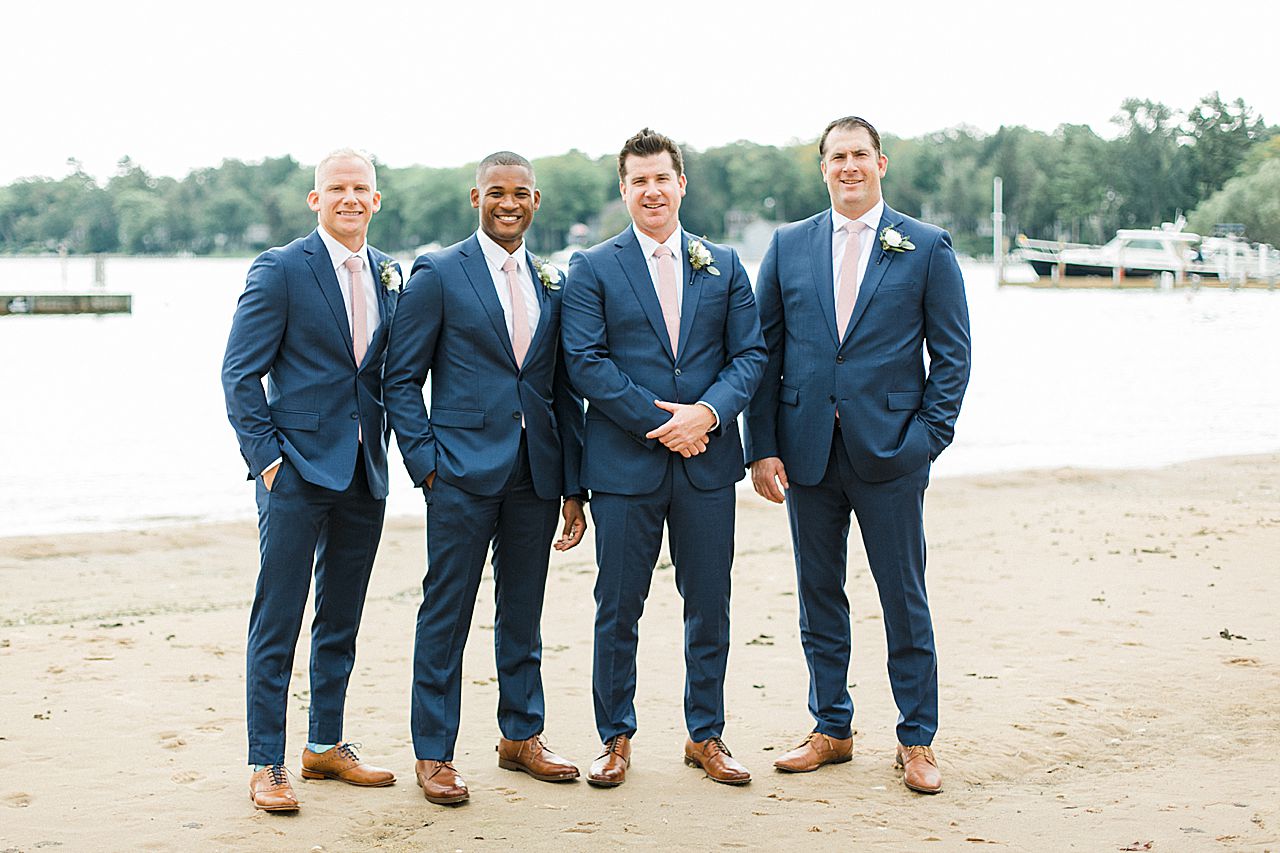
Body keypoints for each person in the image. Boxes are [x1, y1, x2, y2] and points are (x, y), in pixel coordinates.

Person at [744, 116, 971, 794]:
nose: (849, 166)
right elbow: (764, 351)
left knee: (904, 596)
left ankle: (917, 738)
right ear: (823, 168)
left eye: (860, 155)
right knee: (818, 594)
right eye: (837, 156)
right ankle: (831, 727)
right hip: (806, 453)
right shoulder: (788, 245)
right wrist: (762, 447)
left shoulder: (925, 246)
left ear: (881, 163)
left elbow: (952, 356)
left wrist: (925, 441)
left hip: (891, 453)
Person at [561, 128, 767, 787]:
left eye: (661, 178)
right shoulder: (592, 267)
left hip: (707, 465)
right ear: (624, 190)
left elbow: (750, 355)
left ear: (681, 184)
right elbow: (585, 363)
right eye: (638, 181)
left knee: (709, 604)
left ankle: (706, 735)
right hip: (624, 467)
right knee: (618, 606)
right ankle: (615, 738)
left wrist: (706, 414)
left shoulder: (723, 264)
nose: (652, 190)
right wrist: (665, 424)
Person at [383, 152, 588, 805]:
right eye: (496, 192)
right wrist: (427, 466)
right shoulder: (439, 272)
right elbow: (400, 379)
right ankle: (434, 753)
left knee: (523, 610)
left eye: (520, 193)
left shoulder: (551, 281)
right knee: (446, 612)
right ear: (476, 197)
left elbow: (561, 390)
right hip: (459, 475)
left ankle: (521, 735)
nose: (509, 203)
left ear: (536, 200)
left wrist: (573, 486)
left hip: (536, 474)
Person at [222, 148, 399, 811]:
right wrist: (267, 460)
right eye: (337, 188)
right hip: (293, 470)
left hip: (364, 469)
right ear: (315, 199)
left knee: (341, 616)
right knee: (279, 618)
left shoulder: (390, 272)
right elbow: (239, 373)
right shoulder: (280, 269)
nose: (350, 198)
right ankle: (266, 761)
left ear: (376, 200)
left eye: (361, 188)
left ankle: (325, 743)